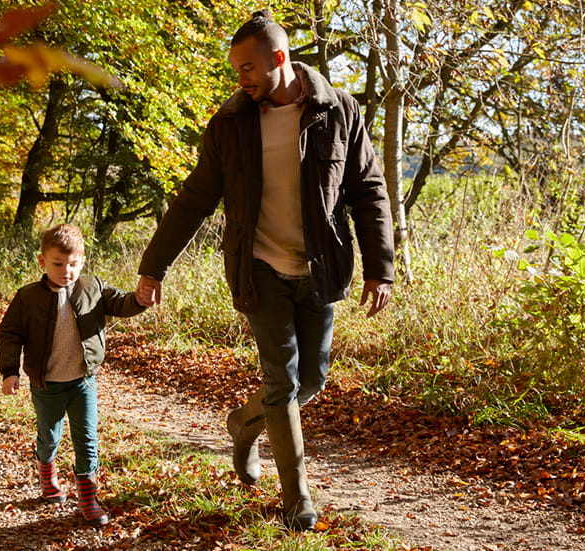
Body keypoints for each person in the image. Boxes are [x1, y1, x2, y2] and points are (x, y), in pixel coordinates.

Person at [135, 10, 395, 531]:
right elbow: (194, 200)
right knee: (281, 383)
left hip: (321, 268)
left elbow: (368, 190)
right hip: (260, 270)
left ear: (279, 59)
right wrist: (154, 266)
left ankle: (243, 423)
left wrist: (380, 266)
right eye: (236, 70)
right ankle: (297, 495)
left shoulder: (338, 111)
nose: (241, 79)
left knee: (311, 380)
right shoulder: (229, 123)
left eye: (247, 68)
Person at [0, 223, 148, 527]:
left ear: (83, 260)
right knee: (49, 438)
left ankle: (87, 499)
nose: (67, 271)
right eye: (58, 264)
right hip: (47, 385)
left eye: (74, 264)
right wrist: (9, 372)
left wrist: (140, 300)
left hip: (82, 382)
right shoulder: (27, 297)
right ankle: (47, 471)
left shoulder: (93, 287)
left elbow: (121, 303)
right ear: (42, 261)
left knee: (87, 440)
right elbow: (10, 334)